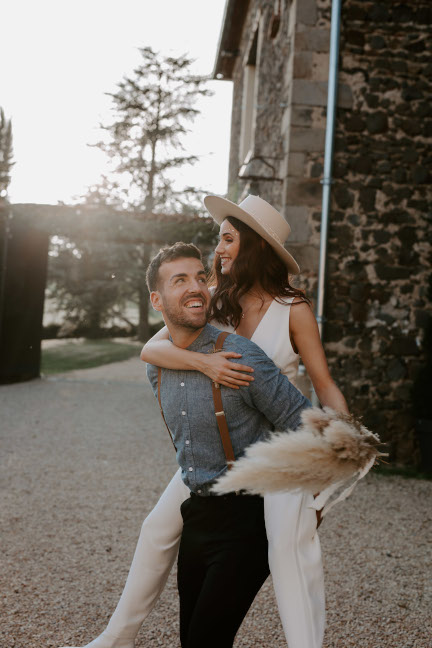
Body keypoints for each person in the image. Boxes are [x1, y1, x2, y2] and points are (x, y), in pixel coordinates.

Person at [61, 194, 348, 648]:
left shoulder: (292, 310)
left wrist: (340, 446)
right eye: (220, 240)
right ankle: (115, 638)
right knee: (156, 527)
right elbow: (151, 350)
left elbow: (324, 382)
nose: (220, 250)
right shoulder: (215, 299)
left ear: (255, 246)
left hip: (278, 452)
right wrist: (205, 365)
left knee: (289, 551)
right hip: (222, 445)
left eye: (229, 239)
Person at [144, 241, 311, 647]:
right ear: (157, 300)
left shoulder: (241, 357)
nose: (196, 287)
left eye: (200, 277)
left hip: (246, 520)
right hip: (196, 515)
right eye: (179, 280)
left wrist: (312, 503)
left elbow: (304, 424)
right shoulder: (157, 367)